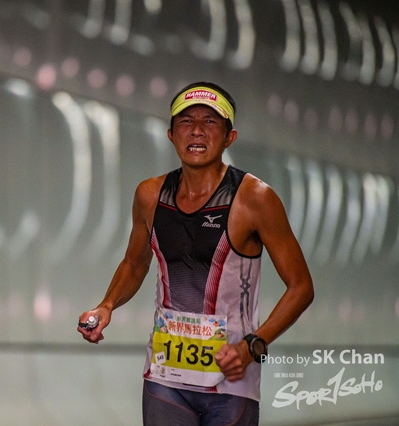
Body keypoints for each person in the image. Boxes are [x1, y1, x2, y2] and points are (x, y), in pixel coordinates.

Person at [77, 81, 314, 425]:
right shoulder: (150, 195)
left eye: (210, 121)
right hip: (166, 376)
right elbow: (134, 264)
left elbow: (301, 287)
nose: (197, 130)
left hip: (231, 379)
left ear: (230, 137)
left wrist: (252, 346)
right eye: (186, 121)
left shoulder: (255, 198)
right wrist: (107, 304)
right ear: (171, 135)